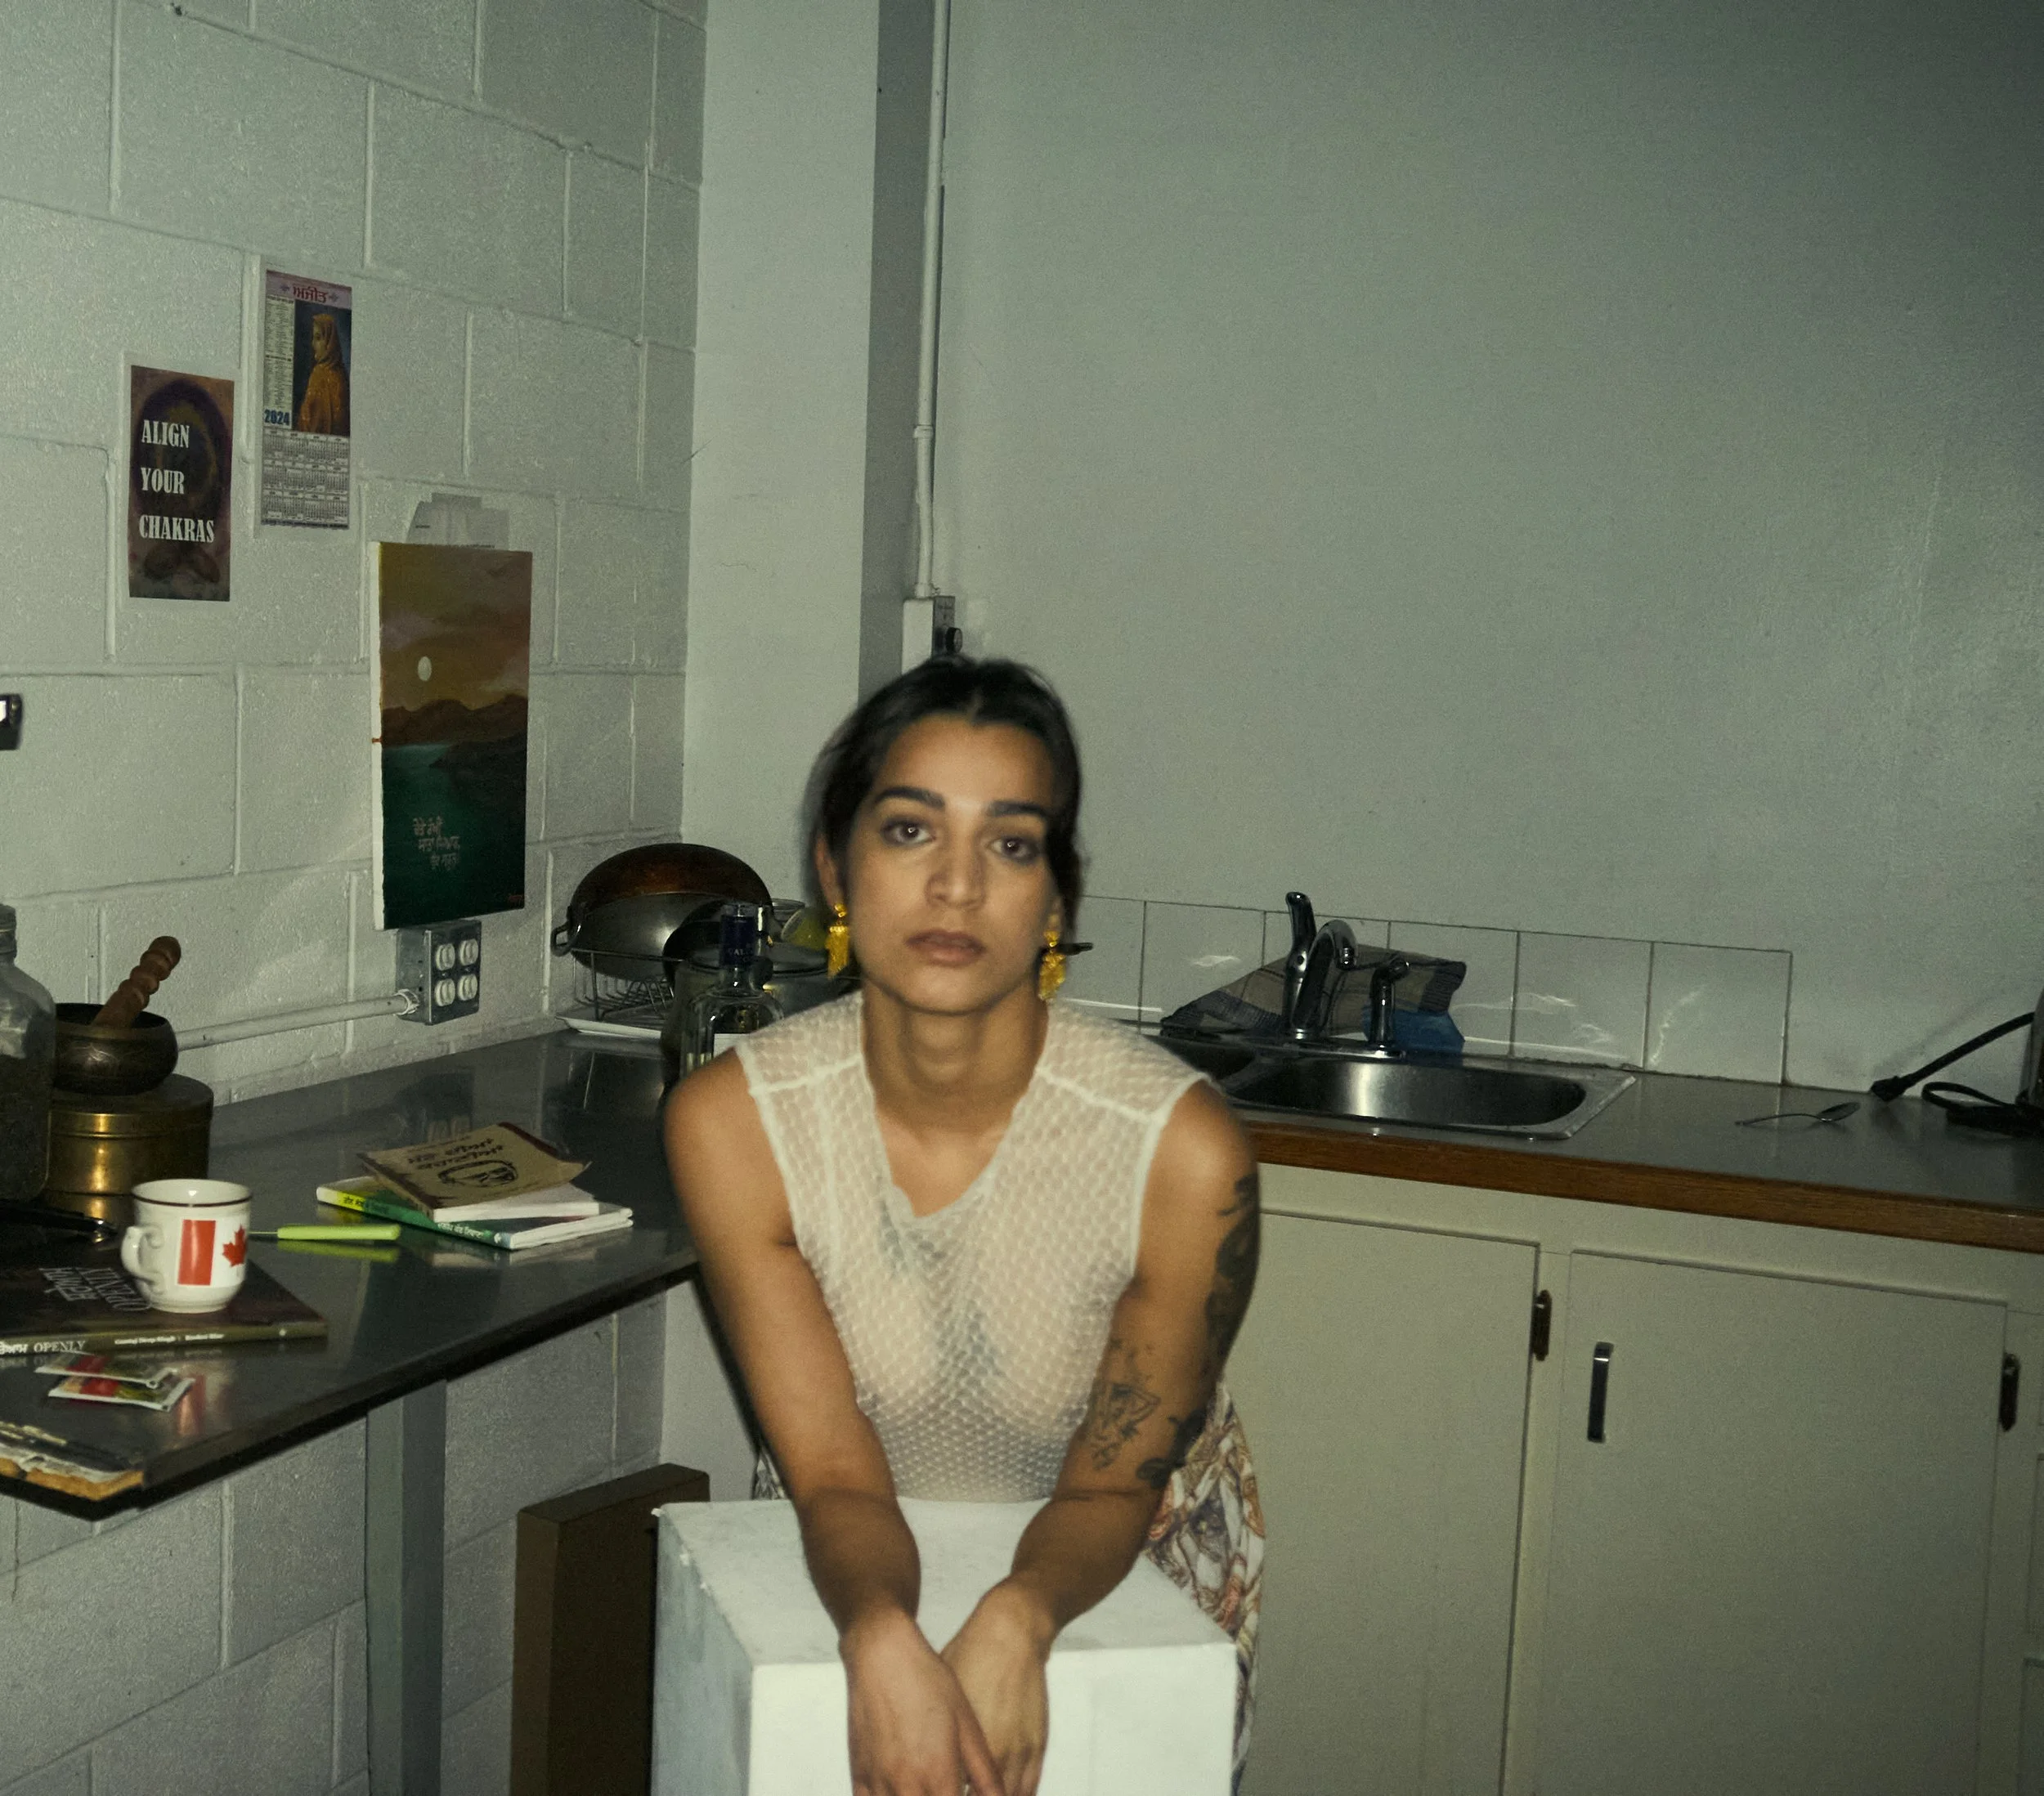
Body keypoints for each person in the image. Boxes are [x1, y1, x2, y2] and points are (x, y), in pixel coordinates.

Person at [664, 656, 1263, 1796]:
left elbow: (1104, 1489)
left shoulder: (1181, 1153)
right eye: (908, 832)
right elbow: (837, 1476)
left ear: (1058, 899)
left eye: (1010, 842)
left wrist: (1021, 1615)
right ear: (834, 869)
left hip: (1117, 1561)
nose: (955, 886)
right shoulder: (733, 1123)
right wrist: (880, 1632)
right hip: (847, 1544)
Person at [296, 311, 349, 436]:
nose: (313, 344)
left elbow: (306, 424)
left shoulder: (319, 374)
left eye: (319, 338)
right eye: (313, 338)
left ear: (330, 343)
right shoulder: (342, 375)